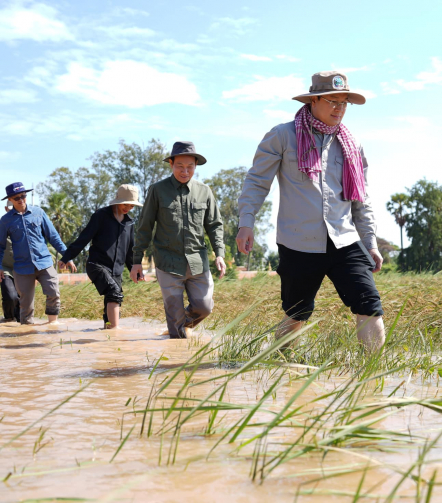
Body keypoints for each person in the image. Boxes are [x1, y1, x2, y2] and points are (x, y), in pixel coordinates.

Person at [236, 70, 385, 351]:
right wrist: (246, 222)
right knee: (297, 312)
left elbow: (361, 198)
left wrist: (370, 242)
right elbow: (256, 182)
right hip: (298, 242)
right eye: (332, 101)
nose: (339, 108)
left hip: (344, 238)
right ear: (313, 100)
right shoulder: (282, 136)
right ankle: (279, 364)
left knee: (369, 303)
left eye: (344, 103)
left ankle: (372, 373)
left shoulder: (351, 145)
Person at [130, 141, 226, 339]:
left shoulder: (204, 191)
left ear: (196, 166)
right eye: (180, 166)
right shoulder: (157, 190)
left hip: (197, 261)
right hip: (168, 262)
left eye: (190, 166)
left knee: (204, 307)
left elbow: (215, 225)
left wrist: (219, 254)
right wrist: (137, 260)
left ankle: (180, 326)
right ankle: (177, 345)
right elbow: (145, 226)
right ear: (171, 164)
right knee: (175, 319)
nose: (185, 171)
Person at [59, 185, 141, 329]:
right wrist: (66, 257)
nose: (128, 208)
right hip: (97, 264)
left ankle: (108, 334)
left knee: (114, 300)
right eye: (125, 204)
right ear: (118, 201)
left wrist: (135, 269)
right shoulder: (101, 216)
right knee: (114, 293)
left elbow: (129, 250)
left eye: (132, 205)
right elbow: (84, 238)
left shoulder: (129, 223)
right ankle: (115, 332)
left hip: (116, 270)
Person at [0, 182, 76, 324]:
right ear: (10, 199)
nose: (21, 199)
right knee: (26, 304)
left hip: (44, 262)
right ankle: (27, 332)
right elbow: (1, 246)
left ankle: (53, 325)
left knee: (53, 292)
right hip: (22, 267)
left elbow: (54, 237)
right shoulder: (5, 221)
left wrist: (68, 257)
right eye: (17, 198)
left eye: (23, 196)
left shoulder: (39, 213)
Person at [1, 203, 20, 322]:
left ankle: (17, 325)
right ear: (6, 208)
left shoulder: (24, 224)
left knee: (21, 300)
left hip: (22, 268)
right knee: (11, 296)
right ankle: (8, 319)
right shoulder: (2, 224)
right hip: (4, 268)